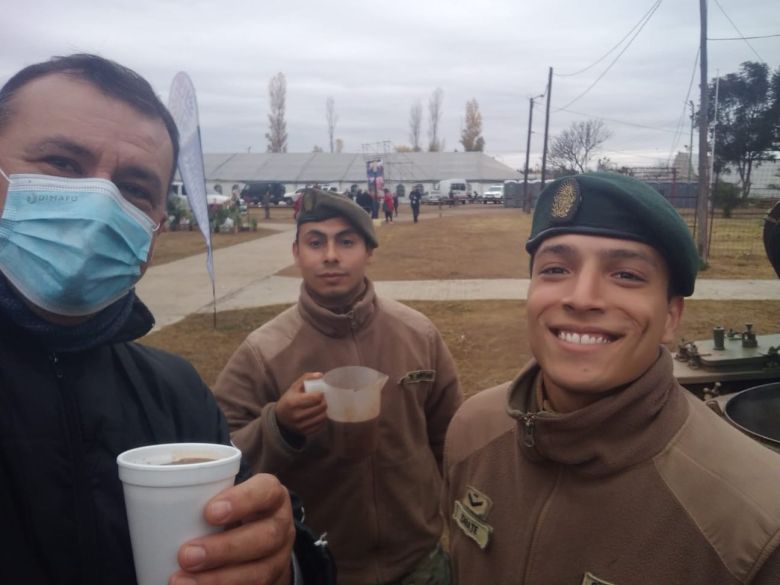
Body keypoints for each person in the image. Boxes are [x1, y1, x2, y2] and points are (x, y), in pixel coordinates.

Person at [0, 54, 331, 585]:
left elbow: (250, 538)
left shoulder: (174, 391)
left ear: (154, 229)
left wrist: (282, 564)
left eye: (134, 188)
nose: (99, 202)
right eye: (62, 163)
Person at [444, 172, 780, 584]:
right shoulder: (473, 430)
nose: (582, 298)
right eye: (554, 269)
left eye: (626, 275)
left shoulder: (756, 523)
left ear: (671, 317)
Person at [214, 188, 462, 585]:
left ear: (369, 251)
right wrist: (279, 425)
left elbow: (450, 441)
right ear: (296, 253)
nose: (331, 255)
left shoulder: (418, 334)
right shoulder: (264, 352)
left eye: (346, 241)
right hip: (320, 568)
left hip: (420, 563)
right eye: (316, 242)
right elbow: (220, 460)